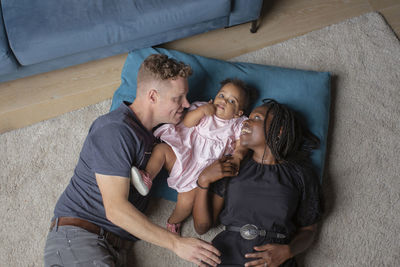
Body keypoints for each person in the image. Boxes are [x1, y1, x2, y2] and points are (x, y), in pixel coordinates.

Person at [43, 54, 221, 267]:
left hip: (114, 246)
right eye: (178, 98)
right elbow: (115, 209)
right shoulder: (114, 130)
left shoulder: (155, 137)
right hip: (80, 237)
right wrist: (176, 244)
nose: (186, 103)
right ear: (153, 96)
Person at [192, 99, 323, 266]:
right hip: (226, 256)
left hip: (274, 261)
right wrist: (203, 181)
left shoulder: (301, 174)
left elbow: (309, 230)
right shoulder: (231, 166)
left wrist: (288, 251)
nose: (247, 121)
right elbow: (202, 227)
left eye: (257, 118)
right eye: (248, 117)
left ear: (279, 131)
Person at [130, 78, 251, 234]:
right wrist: (201, 112)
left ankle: (173, 221)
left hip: (199, 172)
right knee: (161, 150)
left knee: (187, 202)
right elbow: (186, 122)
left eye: (231, 101)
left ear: (238, 113)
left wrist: (238, 156)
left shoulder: (237, 124)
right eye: (221, 95)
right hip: (184, 154)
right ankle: (147, 177)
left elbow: (243, 143)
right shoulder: (203, 107)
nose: (224, 101)